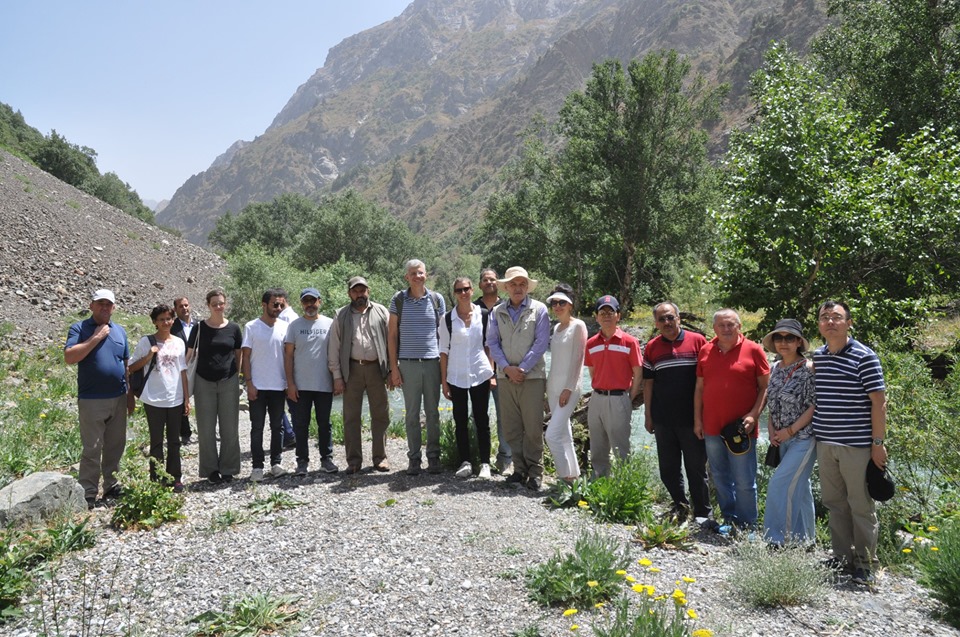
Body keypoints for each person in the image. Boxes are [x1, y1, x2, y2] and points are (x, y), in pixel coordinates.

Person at [813, 300, 887, 585]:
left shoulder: (865, 357)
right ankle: (841, 557)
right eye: (825, 317)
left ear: (849, 323)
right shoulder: (819, 356)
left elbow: (879, 403)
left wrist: (878, 443)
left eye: (837, 317)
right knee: (834, 503)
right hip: (825, 442)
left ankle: (866, 563)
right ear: (819, 325)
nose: (830, 322)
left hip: (856, 446)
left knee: (860, 505)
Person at [694, 309, 770, 531]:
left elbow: (765, 387)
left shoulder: (754, 350)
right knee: (720, 476)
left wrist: (754, 414)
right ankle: (730, 519)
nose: (726, 329)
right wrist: (697, 420)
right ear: (714, 328)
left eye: (730, 325)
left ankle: (748, 525)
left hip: (741, 428)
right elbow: (699, 388)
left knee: (745, 480)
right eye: (721, 325)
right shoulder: (706, 350)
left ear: (739, 326)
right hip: (711, 426)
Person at [64, 289, 132, 509]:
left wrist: (129, 394)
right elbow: (70, 357)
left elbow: (125, 364)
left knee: (115, 445)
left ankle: (111, 485)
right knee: (92, 447)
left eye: (108, 304)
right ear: (91, 305)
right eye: (100, 303)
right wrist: (96, 337)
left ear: (114, 307)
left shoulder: (120, 331)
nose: (104, 307)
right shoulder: (79, 328)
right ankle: (88, 491)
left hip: (118, 397)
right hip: (92, 398)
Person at [642, 302, 710, 521]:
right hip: (663, 419)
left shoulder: (698, 341)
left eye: (670, 317)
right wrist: (648, 415)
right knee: (668, 468)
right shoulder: (652, 347)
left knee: (696, 468)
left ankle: (702, 512)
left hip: (693, 419)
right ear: (656, 323)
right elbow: (648, 383)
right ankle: (680, 505)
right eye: (661, 319)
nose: (667, 322)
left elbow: (708, 378)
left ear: (679, 318)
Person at [486, 266, 550, 490]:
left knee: (533, 427)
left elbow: (541, 343)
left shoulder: (539, 309)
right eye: (513, 284)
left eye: (522, 284)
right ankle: (519, 469)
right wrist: (506, 368)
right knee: (511, 426)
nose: (518, 288)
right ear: (506, 288)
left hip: (532, 377)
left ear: (527, 287)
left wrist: (521, 369)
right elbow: (492, 342)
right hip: (505, 378)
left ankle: (536, 472)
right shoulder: (496, 312)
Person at [760, 318, 817, 545]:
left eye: (790, 338)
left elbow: (814, 405)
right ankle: (805, 540)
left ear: (799, 342)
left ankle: (777, 540)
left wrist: (790, 431)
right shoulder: (775, 368)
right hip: (780, 438)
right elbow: (772, 401)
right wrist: (772, 427)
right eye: (779, 337)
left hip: (803, 438)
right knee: (800, 487)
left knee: (779, 484)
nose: (784, 342)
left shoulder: (809, 369)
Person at [388, 259, 446, 475]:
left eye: (420, 272)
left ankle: (434, 457)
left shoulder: (437, 300)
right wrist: (394, 368)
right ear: (407, 277)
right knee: (412, 414)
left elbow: (443, 335)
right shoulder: (398, 300)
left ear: (426, 275)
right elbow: (392, 335)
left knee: (433, 413)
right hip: (408, 364)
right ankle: (414, 458)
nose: (417, 276)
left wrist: (445, 369)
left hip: (432, 363)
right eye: (413, 273)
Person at [328, 276, 392, 474]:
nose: (359, 294)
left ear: (368, 291)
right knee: (351, 417)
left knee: (380, 414)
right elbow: (334, 347)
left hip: (377, 369)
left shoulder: (381, 311)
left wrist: (392, 370)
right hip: (352, 369)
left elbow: (391, 342)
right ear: (349, 293)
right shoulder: (340, 315)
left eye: (362, 290)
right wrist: (337, 376)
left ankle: (380, 458)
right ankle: (354, 461)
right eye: (355, 291)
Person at [129, 304, 188, 492]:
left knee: (174, 441)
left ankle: (174, 478)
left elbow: (183, 371)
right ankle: (156, 479)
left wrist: (186, 398)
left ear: (173, 320)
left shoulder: (179, 342)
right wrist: (149, 356)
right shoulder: (146, 342)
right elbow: (131, 368)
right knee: (156, 441)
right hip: (153, 398)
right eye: (161, 319)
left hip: (175, 397)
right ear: (154, 322)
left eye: (168, 319)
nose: (166, 322)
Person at [440, 276, 494, 479]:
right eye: (459, 290)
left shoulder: (484, 315)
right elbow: (443, 352)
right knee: (460, 420)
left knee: (482, 419)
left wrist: (491, 372)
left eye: (466, 289)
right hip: (456, 375)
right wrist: (444, 382)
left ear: (472, 290)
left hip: (480, 373)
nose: (463, 293)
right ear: (454, 294)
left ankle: (485, 463)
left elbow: (489, 345)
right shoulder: (447, 319)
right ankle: (465, 462)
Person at [187, 289, 243, 484]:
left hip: (229, 381)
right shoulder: (199, 328)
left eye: (221, 303)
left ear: (225, 304)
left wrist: (238, 375)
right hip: (203, 381)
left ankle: (228, 468)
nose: (218, 307)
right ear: (208, 306)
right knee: (205, 428)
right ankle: (210, 470)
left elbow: (238, 354)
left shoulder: (234, 328)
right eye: (214, 304)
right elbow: (188, 355)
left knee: (230, 427)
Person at [584, 295, 643, 477]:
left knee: (621, 448)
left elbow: (638, 373)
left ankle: (623, 484)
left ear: (618, 316)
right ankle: (600, 481)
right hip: (597, 398)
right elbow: (593, 372)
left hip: (619, 399)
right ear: (596, 317)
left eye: (611, 312)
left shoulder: (630, 342)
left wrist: (628, 398)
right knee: (597, 445)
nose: (606, 316)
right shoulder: (591, 343)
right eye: (602, 313)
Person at [284, 287, 339, 476]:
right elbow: (288, 356)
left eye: (313, 301)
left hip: (324, 383)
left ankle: (326, 459)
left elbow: (336, 353)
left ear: (319, 302)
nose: (310, 305)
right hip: (300, 385)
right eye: (306, 301)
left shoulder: (330, 323)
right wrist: (290, 384)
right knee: (301, 425)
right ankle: (302, 462)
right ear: (301, 304)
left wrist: (337, 378)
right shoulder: (294, 326)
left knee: (325, 424)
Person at [241, 288, 291, 481]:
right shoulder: (251, 327)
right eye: (274, 304)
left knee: (278, 427)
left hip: (279, 385)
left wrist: (289, 382)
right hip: (258, 386)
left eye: (281, 305)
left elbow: (288, 356)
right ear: (264, 305)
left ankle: (276, 464)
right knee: (257, 427)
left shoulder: (286, 327)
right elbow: (245, 357)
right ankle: (257, 467)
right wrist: (249, 383)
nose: (278, 308)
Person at [544, 284, 587, 483]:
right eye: (554, 303)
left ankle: (564, 478)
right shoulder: (556, 328)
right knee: (564, 434)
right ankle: (574, 477)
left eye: (562, 302)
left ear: (570, 304)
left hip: (569, 388)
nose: (558, 306)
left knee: (551, 435)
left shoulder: (579, 326)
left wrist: (569, 388)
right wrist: (548, 389)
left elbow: (578, 360)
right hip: (553, 387)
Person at [475, 268, 510, 474]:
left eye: (493, 279)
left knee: (504, 416)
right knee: (479, 415)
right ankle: (482, 459)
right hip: (477, 369)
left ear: (499, 283)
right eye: (485, 280)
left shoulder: (506, 307)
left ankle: (505, 458)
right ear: (480, 284)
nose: (489, 282)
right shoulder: (472, 308)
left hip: (503, 368)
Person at [171, 296, 195, 445]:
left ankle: (211, 430)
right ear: (175, 309)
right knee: (181, 399)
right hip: (180, 367)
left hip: (198, 366)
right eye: (181, 306)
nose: (184, 308)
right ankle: (185, 433)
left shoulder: (199, 325)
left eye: (186, 305)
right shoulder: (172, 326)